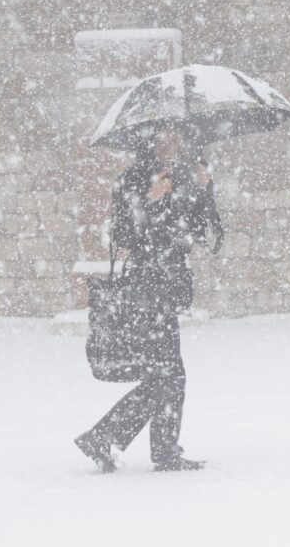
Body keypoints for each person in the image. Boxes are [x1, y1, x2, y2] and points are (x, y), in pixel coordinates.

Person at [74, 125, 223, 472]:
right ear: (149, 141)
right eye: (164, 138)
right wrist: (149, 200)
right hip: (143, 288)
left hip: (170, 287)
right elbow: (123, 236)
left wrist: (204, 189)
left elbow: (200, 233)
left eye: (178, 137)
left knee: (168, 373)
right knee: (168, 374)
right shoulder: (131, 179)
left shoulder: (185, 175)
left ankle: (142, 445)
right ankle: (120, 440)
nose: (172, 144)